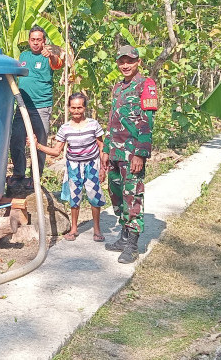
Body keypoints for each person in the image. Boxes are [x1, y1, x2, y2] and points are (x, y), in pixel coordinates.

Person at [102, 46, 157, 264]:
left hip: (132, 152)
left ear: (138, 62)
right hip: (115, 151)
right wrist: (106, 149)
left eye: (130, 61)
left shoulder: (146, 85)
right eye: (122, 61)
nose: (125, 65)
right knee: (116, 193)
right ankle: (123, 237)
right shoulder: (118, 87)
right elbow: (112, 119)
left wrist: (140, 154)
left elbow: (147, 122)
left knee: (132, 195)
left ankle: (132, 245)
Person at [33, 92, 107, 242]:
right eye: (73, 108)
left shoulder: (93, 125)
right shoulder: (65, 128)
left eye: (79, 107)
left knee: (94, 196)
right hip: (73, 166)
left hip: (92, 165)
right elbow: (56, 151)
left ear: (85, 107)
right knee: (75, 197)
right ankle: (74, 229)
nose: (76, 111)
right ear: (69, 108)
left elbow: (101, 146)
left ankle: (97, 229)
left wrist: (103, 167)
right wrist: (38, 145)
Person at [8, 26, 64, 189]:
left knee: (39, 143)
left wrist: (51, 55)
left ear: (44, 41)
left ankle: (36, 177)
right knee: (16, 139)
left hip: (41, 107)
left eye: (39, 39)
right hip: (23, 106)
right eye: (33, 39)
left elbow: (57, 64)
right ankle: (18, 173)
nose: (35, 43)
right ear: (29, 40)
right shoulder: (23, 56)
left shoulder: (48, 56)